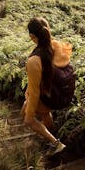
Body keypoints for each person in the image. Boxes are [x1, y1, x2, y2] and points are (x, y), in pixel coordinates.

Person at [22, 17, 72, 155]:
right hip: (64, 93)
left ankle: (55, 143)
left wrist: (30, 116)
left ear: (32, 36)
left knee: (28, 118)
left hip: (50, 96)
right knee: (38, 111)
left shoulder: (34, 61)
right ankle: (50, 130)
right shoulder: (58, 46)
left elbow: (34, 92)